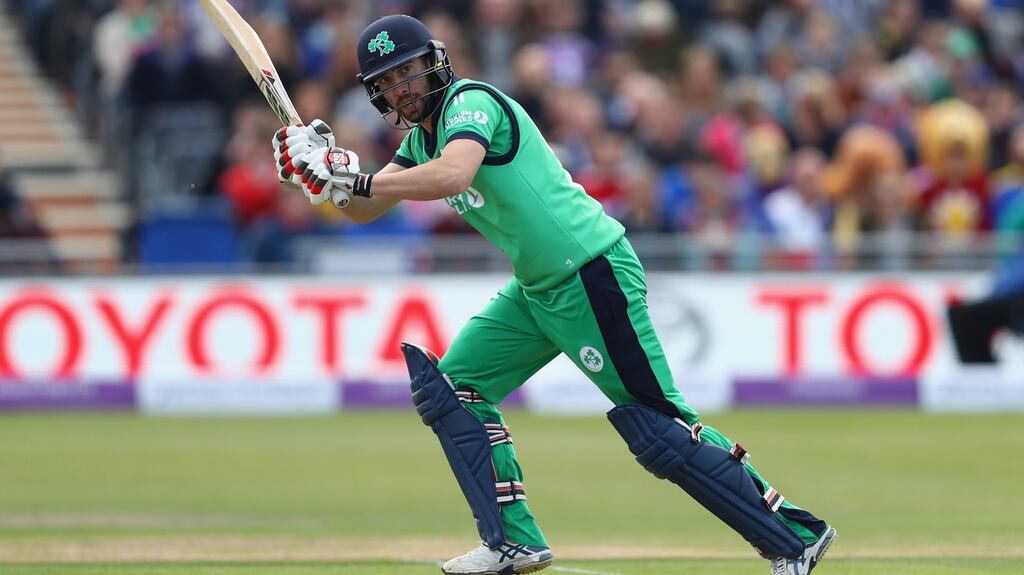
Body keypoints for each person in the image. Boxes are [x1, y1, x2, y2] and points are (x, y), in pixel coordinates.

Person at [271, 15, 835, 575]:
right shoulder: (419, 141)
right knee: (452, 390)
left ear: (435, 63)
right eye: (388, 82)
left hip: (591, 271)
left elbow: (453, 175)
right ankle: (511, 542)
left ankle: (796, 538)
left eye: (408, 72)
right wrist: (316, 178)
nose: (402, 88)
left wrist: (355, 178)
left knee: (659, 428)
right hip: (537, 288)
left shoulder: (472, 103)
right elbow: (364, 209)